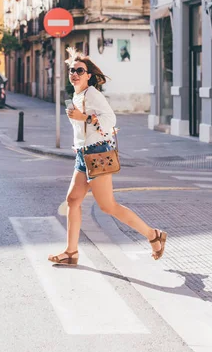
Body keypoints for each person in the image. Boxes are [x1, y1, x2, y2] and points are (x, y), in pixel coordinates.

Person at [48, 48, 167, 266]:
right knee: (73, 200)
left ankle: (153, 235)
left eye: (79, 70)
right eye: (72, 71)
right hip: (83, 155)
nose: (74, 74)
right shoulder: (76, 96)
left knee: (108, 206)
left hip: (97, 154)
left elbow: (110, 119)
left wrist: (84, 117)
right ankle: (71, 252)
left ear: (88, 75)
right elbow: (86, 126)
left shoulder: (93, 94)